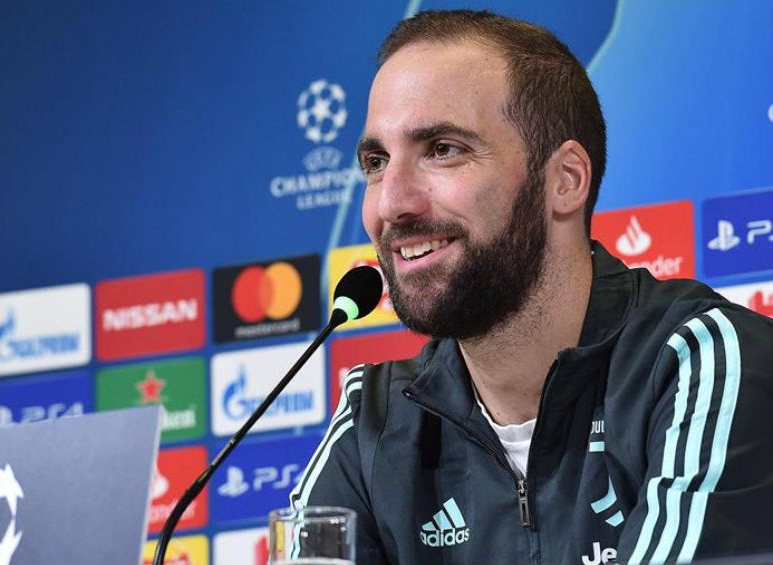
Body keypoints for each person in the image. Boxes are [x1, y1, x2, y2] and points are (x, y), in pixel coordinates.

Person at [290, 9, 773, 565]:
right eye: (376, 162)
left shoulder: (702, 363)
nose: (391, 203)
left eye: (443, 149)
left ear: (564, 180)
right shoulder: (374, 422)